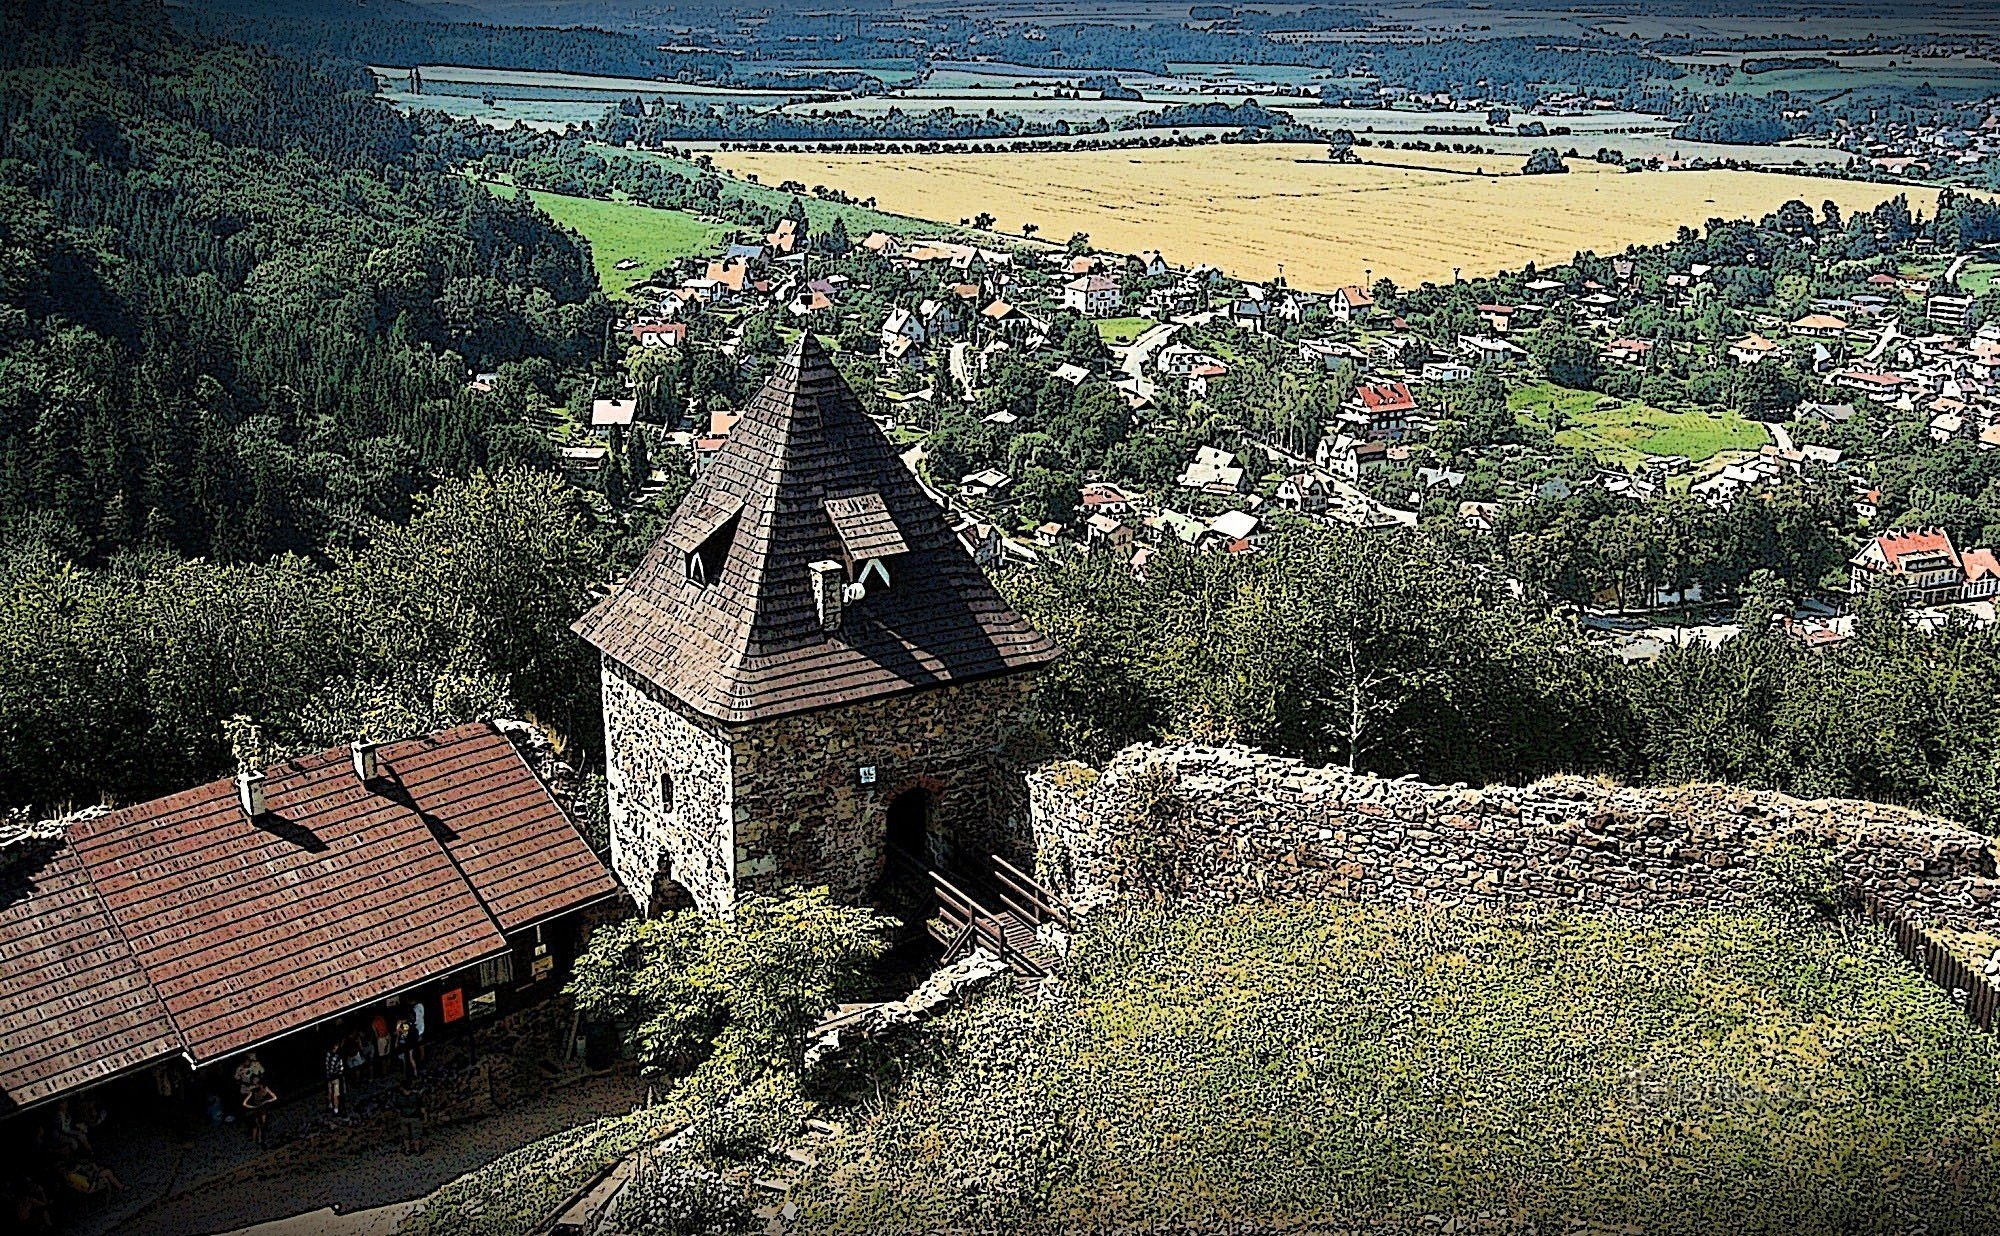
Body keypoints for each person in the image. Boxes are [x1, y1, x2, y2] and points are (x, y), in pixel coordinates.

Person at [392, 1078, 425, 1155]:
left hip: (404, 1117)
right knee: (417, 1134)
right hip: (415, 1117)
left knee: (405, 1134)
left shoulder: (399, 1097)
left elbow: (397, 1108)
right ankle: (417, 1150)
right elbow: (422, 1108)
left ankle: (408, 1149)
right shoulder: (416, 1095)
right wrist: (424, 1116)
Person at [242, 1081, 278, 1146]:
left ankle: (259, 1139)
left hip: (262, 1108)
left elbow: (275, 1097)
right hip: (257, 1109)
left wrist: (266, 1101)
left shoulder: (265, 1089)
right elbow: (244, 1103)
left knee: (261, 1125)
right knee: (257, 1125)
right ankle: (256, 1139)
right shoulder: (253, 1091)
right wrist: (252, 1107)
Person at [323, 1042, 347, 1116]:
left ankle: (330, 1104)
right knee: (336, 1094)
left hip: (328, 1076)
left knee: (330, 1091)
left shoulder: (327, 1054)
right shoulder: (337, 1057)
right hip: (336, 1077)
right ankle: (336, 1109)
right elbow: (341, 1068)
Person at [370, 1012, 393, 1078]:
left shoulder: (374, 1022)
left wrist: (378, 1039)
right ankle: (388, 1070)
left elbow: (376, 1034)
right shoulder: (382, 1018)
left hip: (381, 1038)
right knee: (388, 1054)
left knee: (382, 1056)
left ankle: (384, 1072)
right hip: (387, 1036)